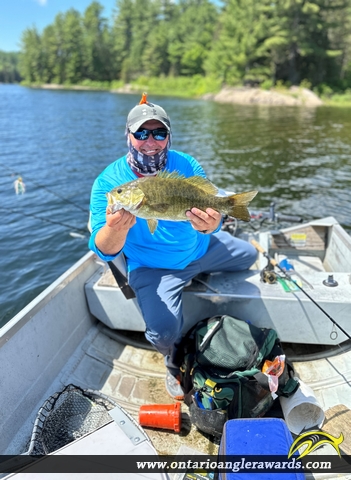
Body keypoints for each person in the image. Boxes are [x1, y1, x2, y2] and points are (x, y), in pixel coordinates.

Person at [89, 94, 257, 400]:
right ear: (128, 135)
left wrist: (213, 222)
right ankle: (173, 361)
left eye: (159, 133)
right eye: (141, 133)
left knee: (252, 255)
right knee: (163, 331)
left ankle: (200, 268)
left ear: (169, 136)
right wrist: (115, 230)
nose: (150, 141)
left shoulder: (187, 164)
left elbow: (212, 210)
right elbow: (103, 250)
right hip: (153, 268)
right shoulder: (108, 183)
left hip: (201, 249)